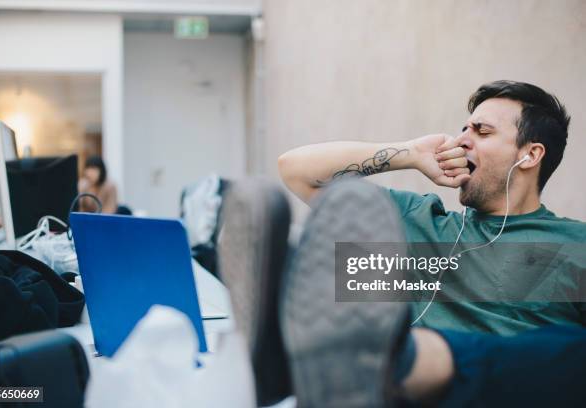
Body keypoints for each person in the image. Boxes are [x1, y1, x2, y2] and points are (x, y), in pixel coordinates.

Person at [217, 80, 586, 407]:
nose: (461, 140)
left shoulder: (575, 245)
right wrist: (409, 153)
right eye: (463, 129)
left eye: (481, 131)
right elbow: (296, 170)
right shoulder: (421, 220)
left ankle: (298, 344)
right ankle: (307, 337)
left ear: (530, 155)